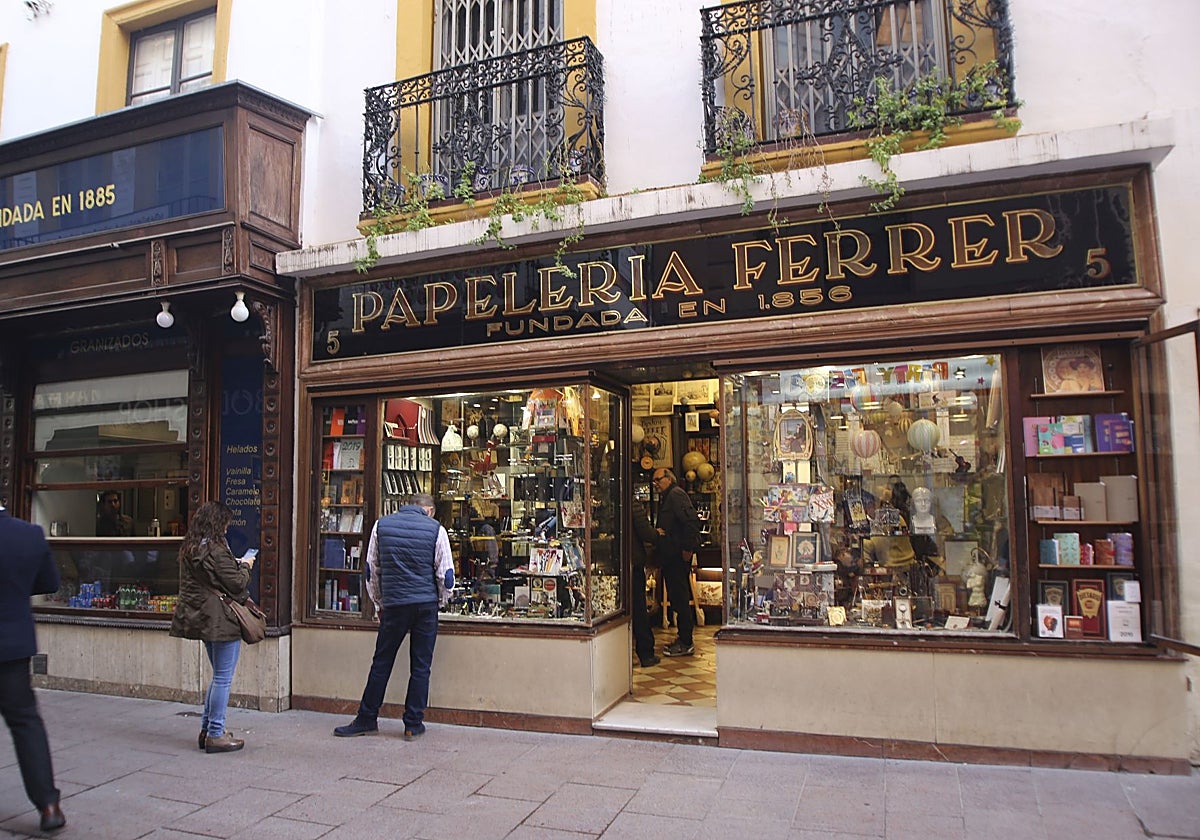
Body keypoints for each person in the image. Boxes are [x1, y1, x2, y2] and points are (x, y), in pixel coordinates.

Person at [334, 492, 453, 739]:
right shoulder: (436, 530)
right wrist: (440, 601)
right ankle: (412, 723)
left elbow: (371, 570)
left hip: (395, 604)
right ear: (429, 510)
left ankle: (367, 717)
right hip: (425, 605)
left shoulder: (381, 526)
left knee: (382, 662)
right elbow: (446, 576)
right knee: (421, 667)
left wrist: (379, 603)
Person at [0, 501, 66, 832]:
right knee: (25, 723)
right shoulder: (29, 535)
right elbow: (49, 582)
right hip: (12, 646)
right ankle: (49, 805)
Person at [169, 501, 255, 754]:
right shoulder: (216, 550)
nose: (227, 528)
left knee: (218, 676)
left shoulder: (192, 547)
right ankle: (216, 733)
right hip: (221, 619)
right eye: (225, 523)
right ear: (217, 523)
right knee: (222, 678)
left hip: (203, 618)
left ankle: (207, 730)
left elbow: (211, 577)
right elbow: (236, 583)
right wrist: (245, 565)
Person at [651, 468, 701, 657]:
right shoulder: (668, 497)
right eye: (654, 481)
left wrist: (688, 548)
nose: (655, 484)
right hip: (670, 556)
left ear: (668, 478)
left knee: (680, 598)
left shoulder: (676, 495)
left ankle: (686, 641)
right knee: (677, 597)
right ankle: (683, 638)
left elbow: (690, 522)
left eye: (658, 480)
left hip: (677, 557)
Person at [630, 498, 660, 667]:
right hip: (634, 562)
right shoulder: (633, 504)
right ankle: (646, 653)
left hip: (616, 561)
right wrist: (657, 534)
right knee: (639, 607)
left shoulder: (613, 500)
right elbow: (645, 532)